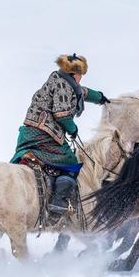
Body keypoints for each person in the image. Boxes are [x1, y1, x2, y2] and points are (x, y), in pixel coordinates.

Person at [11, 53, 110, 214]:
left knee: (19, 160)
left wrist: (100, 98)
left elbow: (83, 93)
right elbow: (61, 114)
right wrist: (72, 129)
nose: (81, 79)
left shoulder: (62, 82)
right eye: (80, 75)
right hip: (44, 135)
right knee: (70, 162)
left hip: (28, 133)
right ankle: (59, 202)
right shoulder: (63, 86)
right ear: (73, 74)